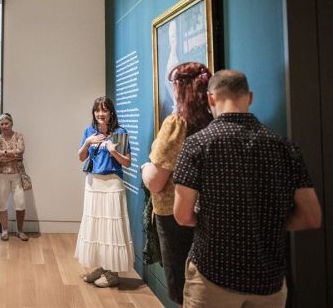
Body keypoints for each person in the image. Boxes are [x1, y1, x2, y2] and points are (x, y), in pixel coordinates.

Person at [173, 70, 322, 307]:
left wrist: (216, 223)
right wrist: (267, 222)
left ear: (211, 98)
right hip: (268, 281)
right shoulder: (284, 147)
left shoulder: (197, 144)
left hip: (212, 273)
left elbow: (181, 215)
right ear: (249, 97)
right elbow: (312, 217)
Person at [141, 62, 212, 305]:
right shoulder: (212, 121)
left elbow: (155, 182)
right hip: (204, 213)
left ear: (180, 88)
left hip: (174, 214)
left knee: (184, 289)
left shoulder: (176, 123)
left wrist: (144, 168)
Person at [75, 96, 133, 288]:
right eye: (98, 110)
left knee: (111, 228)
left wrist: (113, 151)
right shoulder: (89, 131)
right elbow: (81, 156)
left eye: (105, 110)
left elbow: (126, 162)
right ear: (94, 113)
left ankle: (113, 272)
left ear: (111, 113)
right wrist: (87, 142)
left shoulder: (119, 132)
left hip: (112, 184)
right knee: (97, 226)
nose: (101, 114)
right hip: (93, 183)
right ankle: (102, 266)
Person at [0, 113, 27, 241]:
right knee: (2, 202)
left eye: (6, 123)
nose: (4, 126)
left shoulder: (19, 136)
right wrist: (11, 153)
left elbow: (20, 151)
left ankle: (20, 230)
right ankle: (5, 230)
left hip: (16, 173)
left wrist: (4, 154)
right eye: (2, 124)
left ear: (11, 123)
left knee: (21, 203)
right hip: (0, 174)